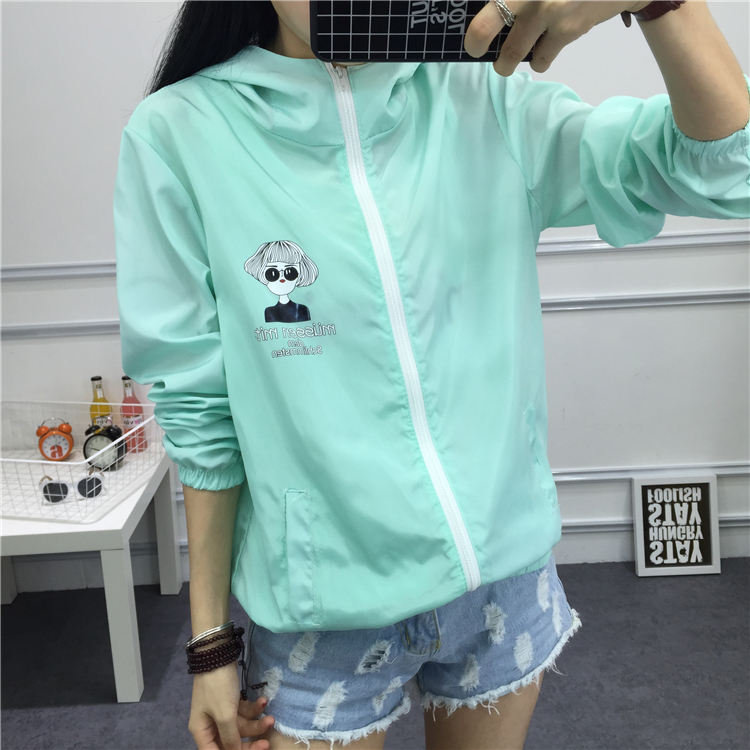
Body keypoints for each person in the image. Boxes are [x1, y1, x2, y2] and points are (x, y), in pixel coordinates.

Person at [113, 2, 750, 749]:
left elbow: (723, 168)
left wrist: (660, 2)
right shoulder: (181, 134)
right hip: (324, 610)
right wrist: (210, 642)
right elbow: (201, 414)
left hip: (502, 583)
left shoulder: (483, 93)